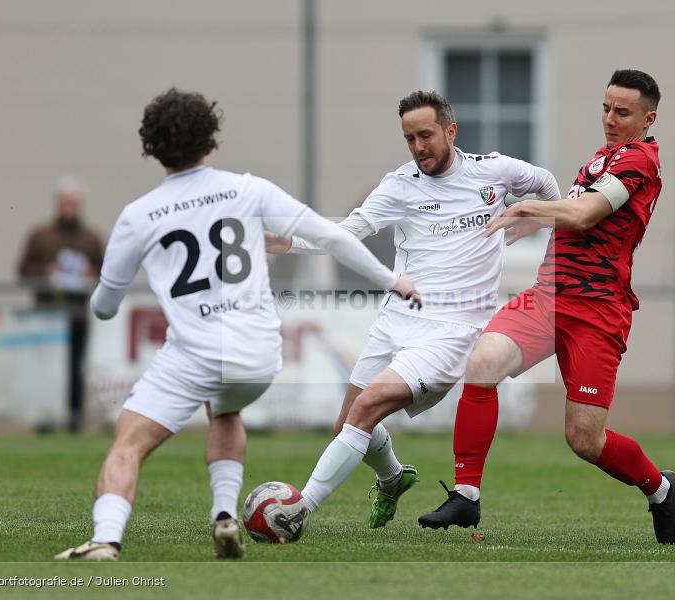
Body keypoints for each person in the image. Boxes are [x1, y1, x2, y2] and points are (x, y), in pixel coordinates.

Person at [55, 88, 420, 561]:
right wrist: (393, 280)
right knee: (224, 410)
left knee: (128, 444)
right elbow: (331, 236)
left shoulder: (138, 215)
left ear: (151, 146)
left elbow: (104, 305)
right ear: (210, 140)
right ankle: (224, 516)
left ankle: (106, 539)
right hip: (258, 355)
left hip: (196, 351)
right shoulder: (248, 189)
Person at [266, 90, 559, 528]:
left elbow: (547, 182)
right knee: (346, 424)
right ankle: (392, 477)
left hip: (452, 331)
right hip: (395, 322)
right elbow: (353, 230)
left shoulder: (494, 172)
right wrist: (292, 239)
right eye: (409, 138)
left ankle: (296, 510)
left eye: (426, 135)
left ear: (450, 131)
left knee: (365, 410)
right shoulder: (400, 184)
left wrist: (540, 218)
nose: (419, 147)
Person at [418, 69, 675, 545]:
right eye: (605, 107)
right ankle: (465, 495)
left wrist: (528, 209)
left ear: (649, 118)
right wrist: (540, 222)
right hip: (547, 297)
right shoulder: (603, 158)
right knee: (482, 363)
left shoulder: (640, 160)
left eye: (622, 112)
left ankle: (660, 488)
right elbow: (580, 220)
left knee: (585, 439)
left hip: (597, 310)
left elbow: (584, 213)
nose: (609, 118)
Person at [18, 178, 104, 432]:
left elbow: (107, 272)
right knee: (44, 370)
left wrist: (90, 274)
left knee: (76, 369)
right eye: (66, 202)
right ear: (58, 204)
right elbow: (23, 270)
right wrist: (47, 272)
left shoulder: (91, 239)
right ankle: (43, 418)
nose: (70, 208)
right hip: (45, 316)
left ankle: (73, 419)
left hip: (78, 316)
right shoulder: (40, 235)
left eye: (74, 203)